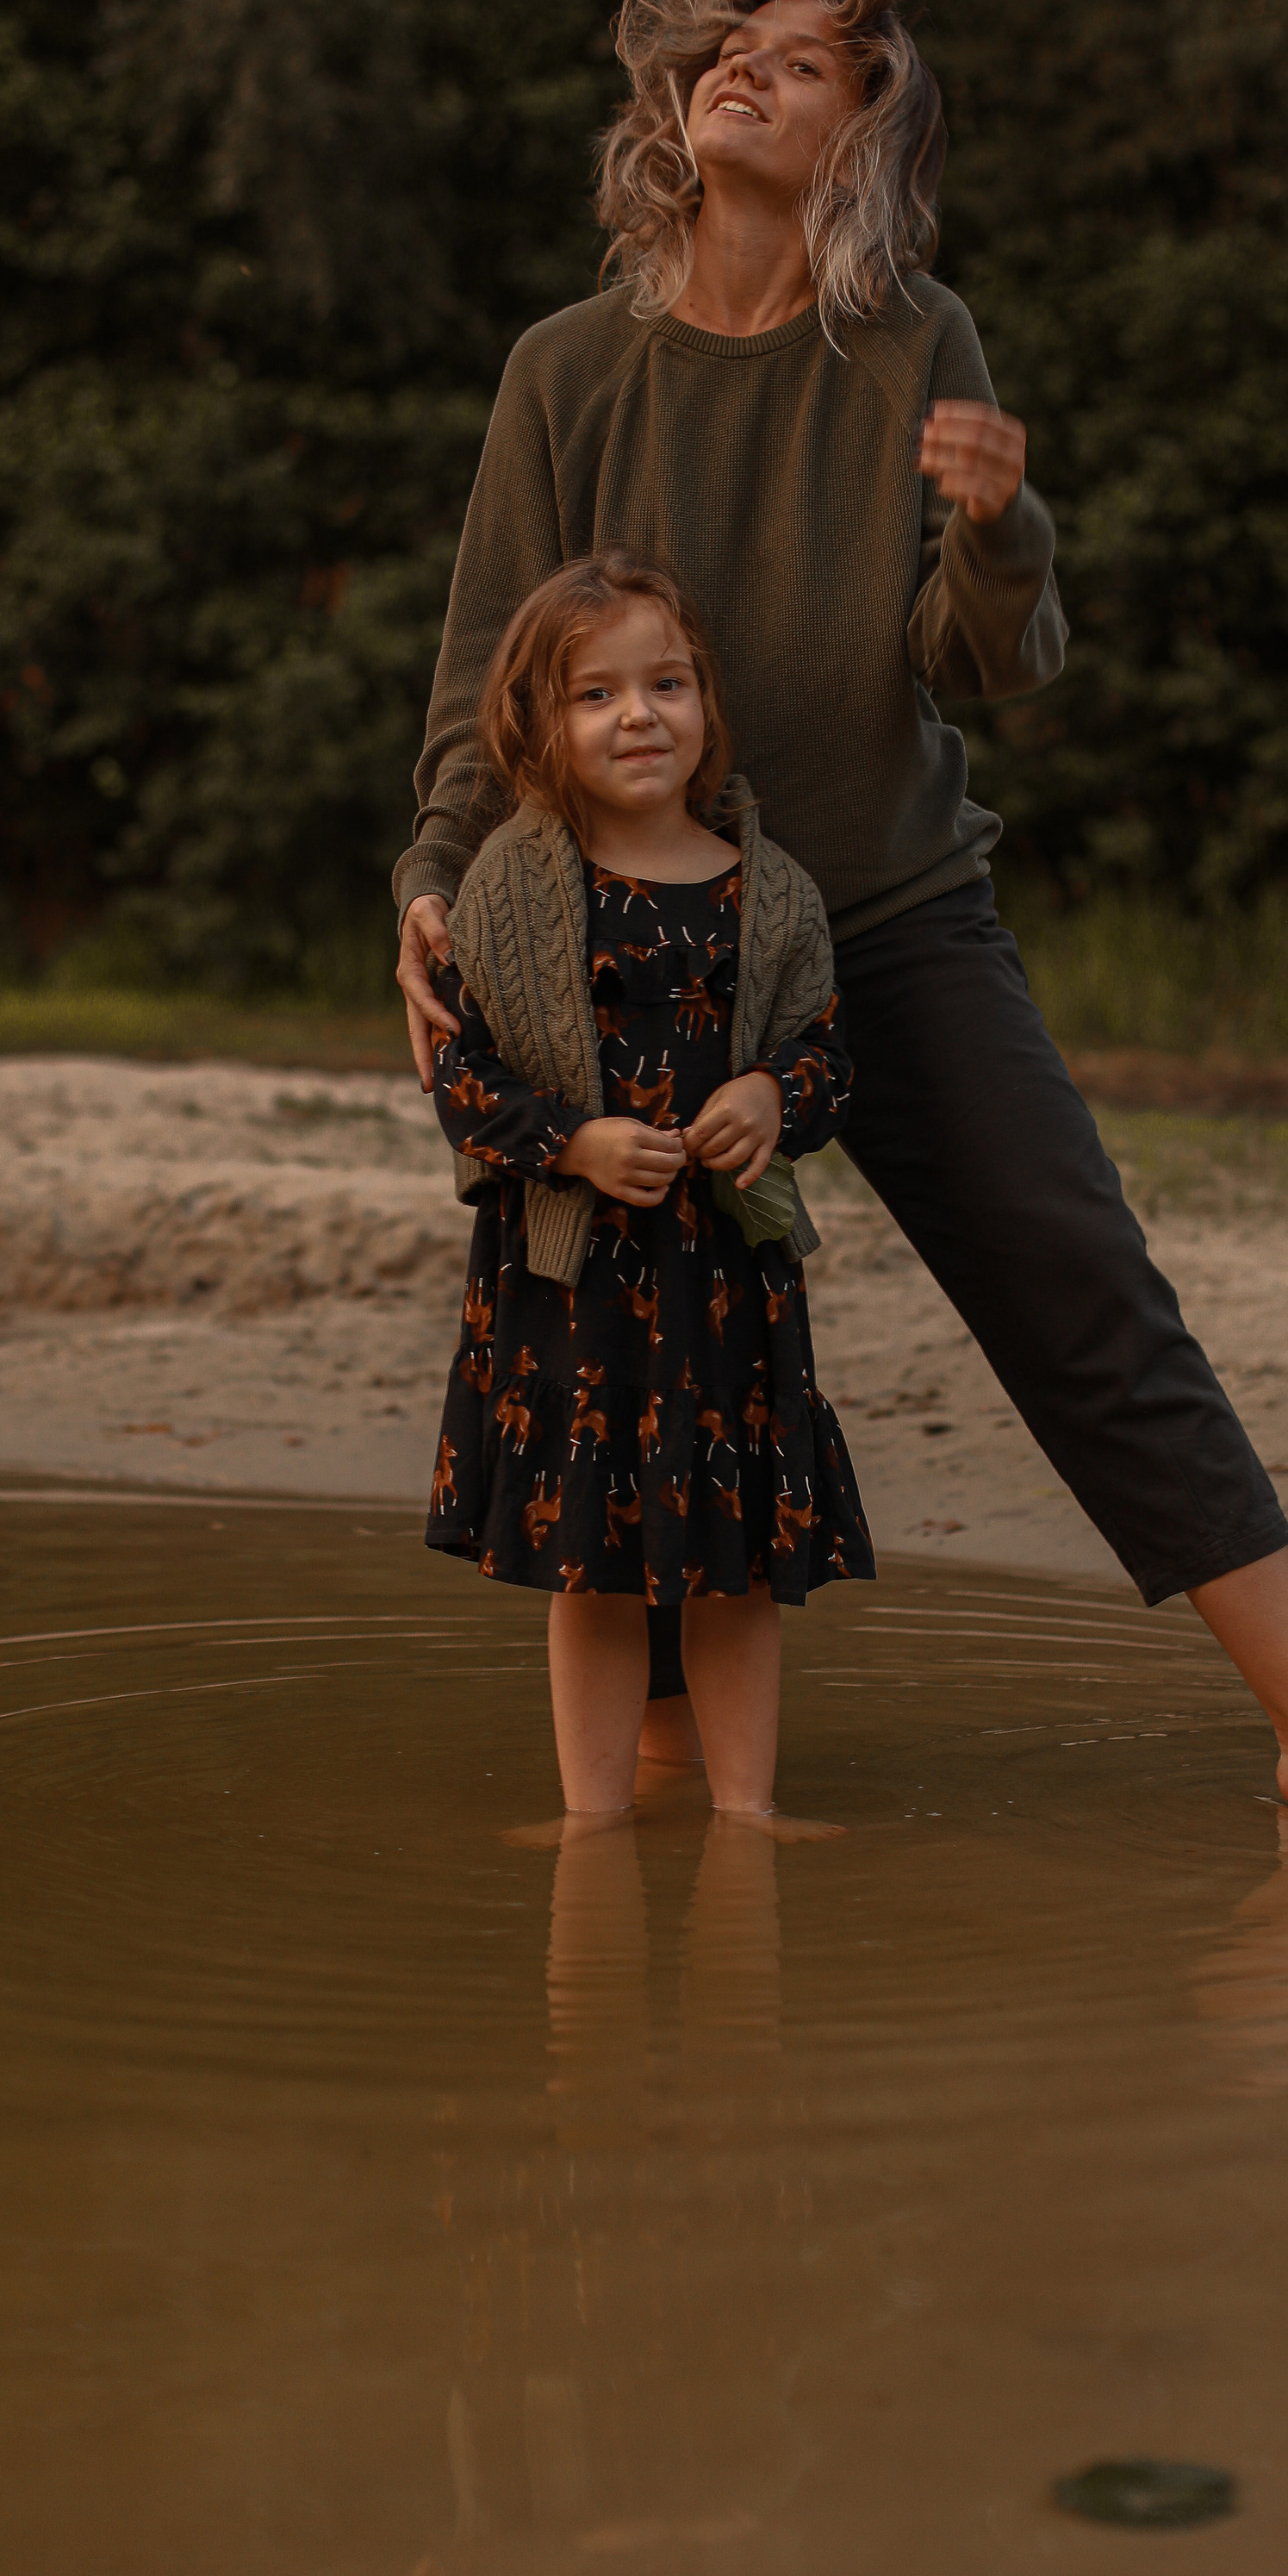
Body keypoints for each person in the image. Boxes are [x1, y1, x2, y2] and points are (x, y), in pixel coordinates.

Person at [396, 0, 1288, 1831]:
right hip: (619, 946)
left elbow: (987, 664)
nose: (744, 71)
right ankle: (664, 1798)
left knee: (1082, 1286)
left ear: (861, 127)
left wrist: (1000, 530)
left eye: (798, 61)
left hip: (883, 917)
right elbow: (487, 687)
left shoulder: (910, 344)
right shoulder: (565, 369)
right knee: (650, 1347)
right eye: (727, 49)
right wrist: (431, 888)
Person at [423, 551, 872, 1824]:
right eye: (597, 694)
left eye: (666, 684)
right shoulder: (511, 887)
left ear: (706, 704)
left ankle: (748, 1816)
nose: (638, 716)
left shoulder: (768, 891)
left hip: (730, 1283)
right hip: (577, 1285)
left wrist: (775, 1095)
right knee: (595, 1567)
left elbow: (831, 1052)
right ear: (537, 724)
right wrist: (572, 1144)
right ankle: (594, 1825)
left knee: (738, 1565)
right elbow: (460, 1074)